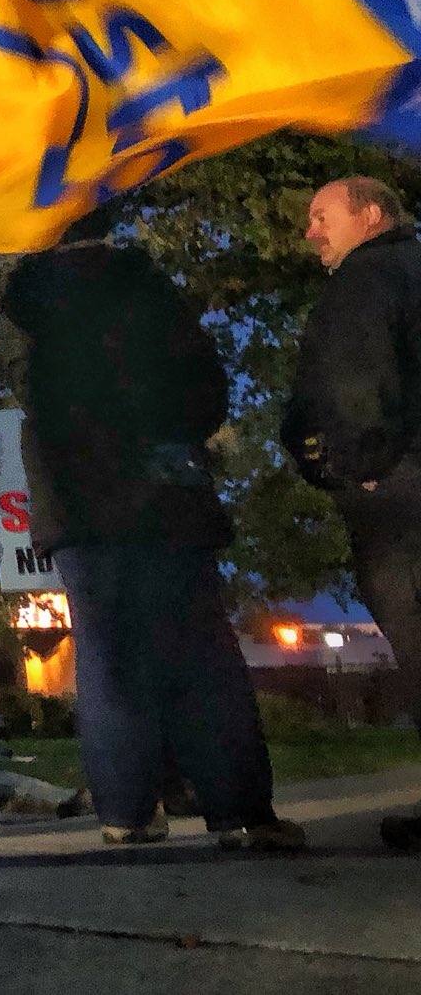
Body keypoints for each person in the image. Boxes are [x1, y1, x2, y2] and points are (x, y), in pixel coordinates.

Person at [0, 213, 303, 852]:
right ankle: (241, 811)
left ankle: (127, 811)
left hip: (76, 499)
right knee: (198, 652)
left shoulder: (26, 311)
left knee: (108, 661)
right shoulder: (149, 293)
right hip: (162, 488)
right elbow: (204, 387)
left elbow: (33, 396)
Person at [282, 175, 421, 852]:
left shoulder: (366, 282)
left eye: (321, 216)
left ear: (370, 214)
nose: (311, 233)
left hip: (401, 496)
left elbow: (354, 387)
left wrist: (354, 468)